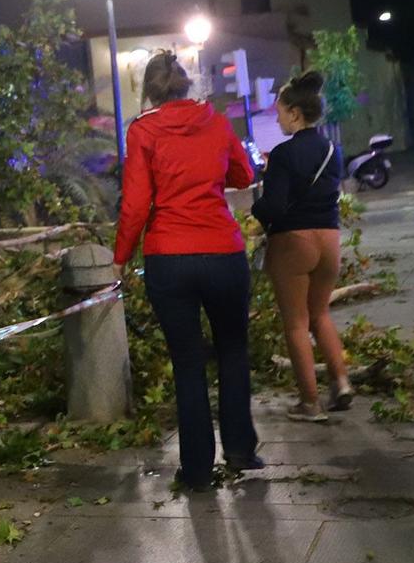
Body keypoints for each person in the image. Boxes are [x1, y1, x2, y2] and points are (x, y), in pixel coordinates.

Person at [113, 51, 261, 489]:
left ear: (149, 90)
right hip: (223, 252)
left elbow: (136, 202)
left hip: (169, 258)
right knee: (233, 351)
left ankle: (197, 468)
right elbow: (244, 172)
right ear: (186, 84)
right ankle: (241, 450)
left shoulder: (143, 131)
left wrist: (120, 257)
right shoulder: (216, 122)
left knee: (188, 362)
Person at [250, 71, 352, 422]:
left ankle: (310, 403)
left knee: (295, 322)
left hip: (294, 243)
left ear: (295, 112)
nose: (276, 118)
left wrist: (255, 209)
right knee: (320, 314)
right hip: (329, 241)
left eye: (279, 111)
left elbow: (274, 206)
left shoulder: (283, 154)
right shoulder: (332, 150)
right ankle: (341, 382)